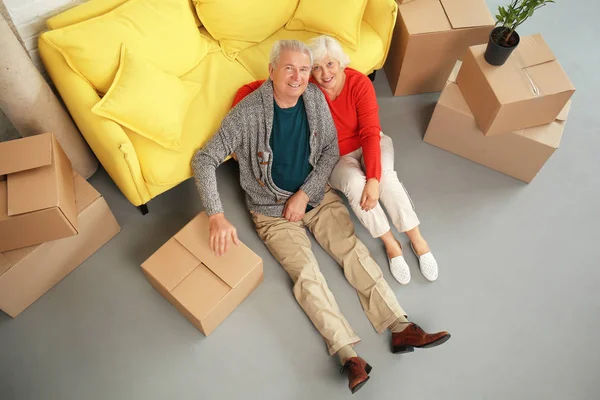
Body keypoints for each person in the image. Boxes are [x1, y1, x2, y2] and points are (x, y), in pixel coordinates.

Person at [192, 40, 450, 394]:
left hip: (315, 194)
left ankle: (399, 325)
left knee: (352, 250)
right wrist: (216, 215)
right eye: (288, 69)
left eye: (303, 69)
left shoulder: (313, 99)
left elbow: (329, 151)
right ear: (271, 71)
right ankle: (348, 355)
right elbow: (204, 159)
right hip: (271, 211)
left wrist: (305, 194)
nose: (298, 77)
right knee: (307, 276)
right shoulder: (247, 113)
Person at [233, 36, 440, 286]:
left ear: (341, 63)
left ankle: (417, 239)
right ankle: (390, 243)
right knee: (355, 184)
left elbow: (370, 133)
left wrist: (373, 178)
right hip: (337, 157)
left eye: (330, 64)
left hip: (370, 144)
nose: (324, 74)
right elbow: (252, 89)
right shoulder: (307, 85)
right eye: (317, 67)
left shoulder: (359, 83)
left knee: (385, 178)